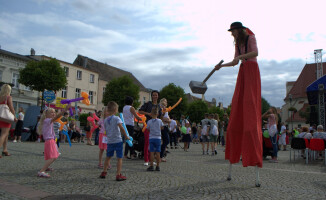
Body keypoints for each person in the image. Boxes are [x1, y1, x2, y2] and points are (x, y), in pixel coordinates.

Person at [215, 22, 262, 167]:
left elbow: (255, 53)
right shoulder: (238, 44)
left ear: (239, 30)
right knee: (239, 100)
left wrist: (242, 56)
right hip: (243, 70)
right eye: (232, 32)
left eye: (234, 31)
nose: (232, 34)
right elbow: (235, 61)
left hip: (252, 69)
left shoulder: (250, 38)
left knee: (250, 101)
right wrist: (221, 66)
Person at [37, 105, 70, 177]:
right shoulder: (47, 120)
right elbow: (57, 117)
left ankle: (46, 167)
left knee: (52, 155)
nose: (53, 114)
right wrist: (64, 110)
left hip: (51, 140)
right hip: (50, 140)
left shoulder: (48, 121)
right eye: (51, 112)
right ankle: (41, 171)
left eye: (54, 112)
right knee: (53, 157)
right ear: (46, 114)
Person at [100, 101, 129, 181]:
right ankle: (118, 174)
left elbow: (106, 130)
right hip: (118, 140)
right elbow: (121, 128)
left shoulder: (105, 120)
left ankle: (104, 172)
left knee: (108, 157)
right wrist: (126, 136)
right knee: (119, 158)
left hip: (110, 141)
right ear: (115, 110)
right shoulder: (117, 118)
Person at [138, 90, 162, 166]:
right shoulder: (148, 104)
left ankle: (151, 160)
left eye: (156, 95)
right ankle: (146, 160)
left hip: (156, 127)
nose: (155, 96)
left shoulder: (159, 106)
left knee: (154, 145)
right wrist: (148, 113)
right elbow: (140, 111)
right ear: (151, 96)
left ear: (158, 96)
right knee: (147, 143)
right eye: (154, 95)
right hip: (148, 125)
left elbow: (160, 116)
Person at [0, 84, 17, 158]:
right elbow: (11, 107)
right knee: (4, 134)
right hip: (6, 118)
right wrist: (14, 117)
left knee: (6, 134)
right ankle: (3, 149)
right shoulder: (8, 97)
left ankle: (5, 150)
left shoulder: (0, 97)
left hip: (0, 117)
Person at [146, 106, 163, 171]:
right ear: (157, 114)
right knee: (158, 152)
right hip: (158, 138)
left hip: (151, 138)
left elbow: (148, 129)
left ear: (151, 114)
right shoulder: (160, 121)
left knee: (152, 152)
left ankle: (151, 166)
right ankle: (158, 166)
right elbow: (162, 128)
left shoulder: (149, 121)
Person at [159, 98, 170, 162]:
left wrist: (168, 120)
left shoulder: (166, 109)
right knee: (166, 140)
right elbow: (161, 117)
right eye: (163, 101)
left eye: (166, 102)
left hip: (165, 126)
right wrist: (168, 120)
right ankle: (160, 155)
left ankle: (160, 155)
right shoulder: (161, 109)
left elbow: (167, 118)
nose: (165, 103)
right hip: (162, 126)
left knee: (165, 141)